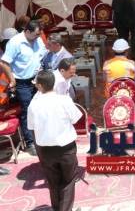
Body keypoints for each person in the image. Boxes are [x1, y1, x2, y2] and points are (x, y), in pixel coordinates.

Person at [27, 70, 81, 211]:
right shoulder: (64, 100)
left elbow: (31, 128)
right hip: (66, 148)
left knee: (53, 182)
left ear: (39, 85)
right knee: (68, 181)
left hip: (46, 150)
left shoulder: (33, 105)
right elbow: (76, 118)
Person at [0, 20, 47, 155]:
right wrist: (12, 79)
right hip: (22, 83)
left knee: (39, 108)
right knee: (27, 111)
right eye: (36, 34)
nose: (38, 37)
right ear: (27, 31)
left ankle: (41, 136)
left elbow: (42, 54)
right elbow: (4, 63)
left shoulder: (37, 39)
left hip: (36, 80)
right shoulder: (15, 42)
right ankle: (30, 143)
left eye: (39, 34)